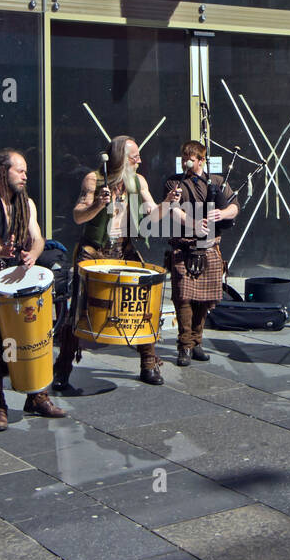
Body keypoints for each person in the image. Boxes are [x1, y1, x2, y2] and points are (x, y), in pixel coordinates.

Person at [53, 135, 178, 390]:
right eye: (135, 157)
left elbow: (152, 214)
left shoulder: (137, 181)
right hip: (94, 251)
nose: (140, 161)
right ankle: (62, 370)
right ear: (121, 159)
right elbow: (78, 216)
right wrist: (98, 204)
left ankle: (148, 363)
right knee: (79, 309)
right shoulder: (94, 180)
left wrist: (167, 204)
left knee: (143, 302)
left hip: (123, 249)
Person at [0, 149, 67, 432]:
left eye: (25, 171)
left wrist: (32, 253)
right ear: (2, 171)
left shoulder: (26, 203)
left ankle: (37, 398)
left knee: (31, 342)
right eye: (20, 170)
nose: (25, 176)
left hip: (20, 276)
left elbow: (39, 237)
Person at [163, 141, 239, 366]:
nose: (186, 160)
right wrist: (193, 223)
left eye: (191, 157)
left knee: (204, 299)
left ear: (201, 160)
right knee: (183, 298)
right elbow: (172, 210)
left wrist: (222, 213)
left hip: (210, 246)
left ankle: (197, 342)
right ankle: (184, 345)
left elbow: (235, 207)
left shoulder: (217, 182)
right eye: (184, 156)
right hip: (184, 246)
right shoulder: (174, 182)